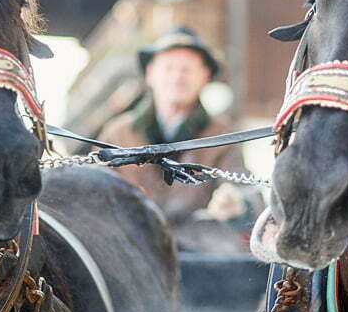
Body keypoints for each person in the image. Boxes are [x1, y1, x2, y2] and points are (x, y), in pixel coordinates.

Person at [98, 26, 257, 252]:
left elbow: (243, 188)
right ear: (150, 74)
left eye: (187, 69)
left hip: (196, 254)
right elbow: (97, 188)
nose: (177, 77)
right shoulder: (118, 132)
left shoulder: (223, 135)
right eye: (169, 67)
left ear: (205, 76)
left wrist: (236, 201)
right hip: (129, 249)